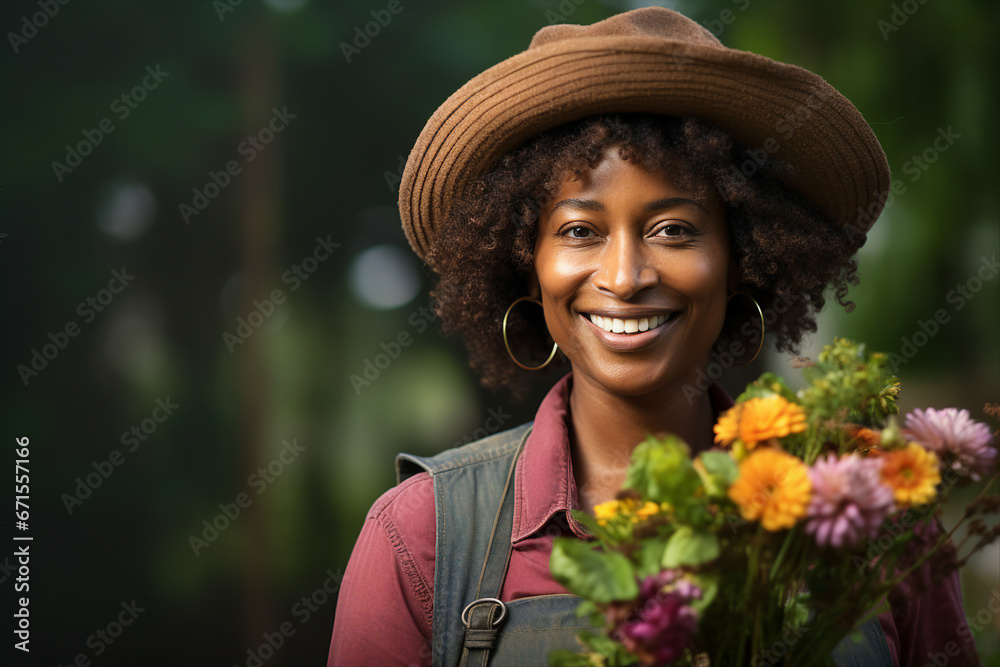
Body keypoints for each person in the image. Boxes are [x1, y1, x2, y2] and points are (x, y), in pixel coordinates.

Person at [329, 7, 977, 666]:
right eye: (580, 231)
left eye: (674, 230)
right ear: (525, 265)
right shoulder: (422, 537)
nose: (625, 277)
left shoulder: (873, 520)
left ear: (742, 259)